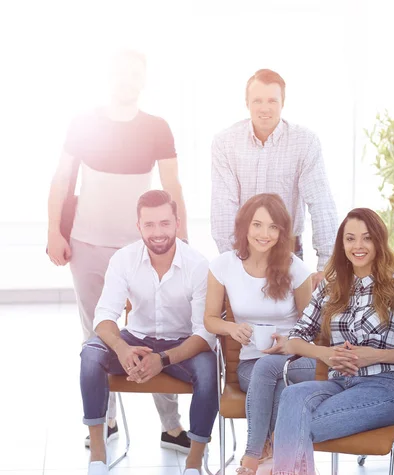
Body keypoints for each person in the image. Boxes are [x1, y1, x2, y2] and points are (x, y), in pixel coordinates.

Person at [46, 49, 191, 451]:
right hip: (87, 244)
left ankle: (171, 424)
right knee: (95, 333)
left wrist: (183, 239)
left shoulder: (158, 127)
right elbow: (61, 179)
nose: (126, 80)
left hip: (143, 248)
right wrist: (52, 231)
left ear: (143, 79)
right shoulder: (84, 122)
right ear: (108, 77)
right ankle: (105, 419)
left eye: (134, 74)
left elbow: (172, 188)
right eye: (120, 73)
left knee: (159, 329)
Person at [270, 208, 394, 475]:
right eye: (350, 239)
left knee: (293, 425)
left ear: (379, 241)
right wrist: (325, 354)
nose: (358, 246)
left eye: (366, 238)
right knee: (292, 396)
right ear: (342, 244)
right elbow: (294, 340)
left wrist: (375, 356)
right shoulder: (330, 288)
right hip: (338, 384)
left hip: (384, 388)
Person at [80, 190, 217, 475]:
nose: (158, 232)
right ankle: (98, 456)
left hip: (183, 344)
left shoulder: (198, 265)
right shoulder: (124, 259)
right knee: (90, 354)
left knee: (209, 371)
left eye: (165, 223)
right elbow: (104, 316)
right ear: (138, 226)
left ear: (177, 223)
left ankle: (193, 464)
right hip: (136, 339)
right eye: (150, 224)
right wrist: (121, 347)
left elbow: (205, 334)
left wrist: (164, 359)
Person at [203, 193, 316, 475]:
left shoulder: (296, 269)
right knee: (275, 382)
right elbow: (209, 319)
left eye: (273, 227)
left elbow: (314, 328)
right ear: (244, 226)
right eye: (257, 225)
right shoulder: (223, 266)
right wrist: (232, 327)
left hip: (297, 360)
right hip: (250, 362)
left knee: (274, 371)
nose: (264, 234)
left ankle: (251, 460)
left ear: (282, 232)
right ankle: (279, 457)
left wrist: (288, 345)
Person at [210, 68, 338, 289]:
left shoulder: (305, 142)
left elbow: (320, 203)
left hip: (289, 253)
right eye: (257, 100)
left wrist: (325, 266)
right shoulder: (225, 142)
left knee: (295, 322)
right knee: (242, 322)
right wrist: (232, 263)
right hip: (242, 253)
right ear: (246, 102)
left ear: (283, 103)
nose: (265, 108)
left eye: (272, 101)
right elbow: (223, 206)